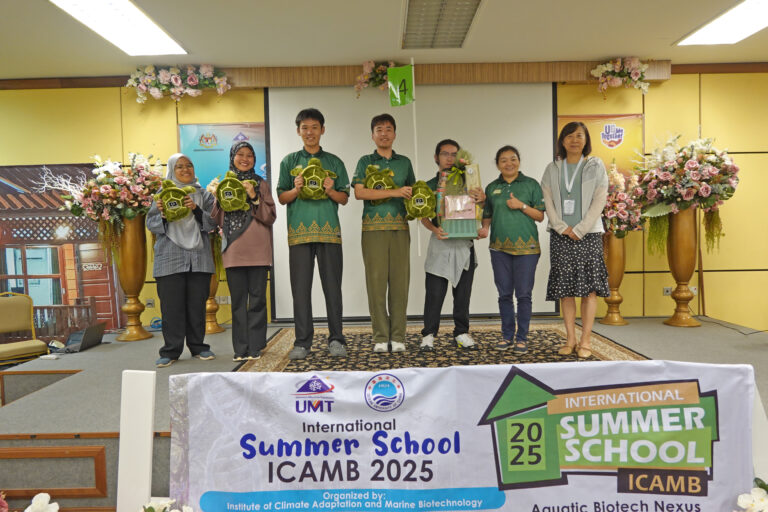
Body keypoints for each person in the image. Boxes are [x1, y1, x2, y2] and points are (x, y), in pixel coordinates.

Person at [277, 108, 350, 360]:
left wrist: (330, 190)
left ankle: (337, 339)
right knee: (300, 291)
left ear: (322, 130)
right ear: (298, 131)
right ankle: (302, 342)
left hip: (329, 233)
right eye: (305, 128)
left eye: (314, 127)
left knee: (333, 289)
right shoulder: (289, 162)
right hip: (299, 234)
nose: (310, 132)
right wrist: (296, 189)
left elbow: (344, 198)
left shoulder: (334, 162)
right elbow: (282, 197)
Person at [541, 122, 609, 358]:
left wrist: (580, 229)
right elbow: (548, 200)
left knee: (589, 291)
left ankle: (586, 340)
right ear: (562, 140)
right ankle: (570, 339)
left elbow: (600, 199)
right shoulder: (552, 168)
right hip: (561, 236)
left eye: (579, 136)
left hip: (589, 235)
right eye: (569, 136)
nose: (574, 140)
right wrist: (561, 227)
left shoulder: (595, 165)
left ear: (586, 140)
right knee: (566, 290)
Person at [147, 153, 217, 368]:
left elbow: (213, 223)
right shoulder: (162, 194)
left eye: (189, 165)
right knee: (172, 308)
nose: (185, 169)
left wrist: (195, 209)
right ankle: (171, 351)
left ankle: (199, 347)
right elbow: (151, 224)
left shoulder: (204, 195)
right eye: (179, 167)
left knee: (197, 306)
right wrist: (163, 215)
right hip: (170, 258)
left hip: (199, 257)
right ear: (172, 170)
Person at [353, 114, 416, 353]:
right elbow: (360, 193)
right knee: (376, 284)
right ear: (372, 135)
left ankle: (398, 336)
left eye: (388, 129)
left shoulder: (404, 163)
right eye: (379, 129)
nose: (384, 133)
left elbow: (413, 193)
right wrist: (395, 192)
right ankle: (380, 336)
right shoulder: (365, 161)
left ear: (395, 134)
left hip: (400, 228)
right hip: (373, 229)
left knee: (400, 284)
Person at [211, 141, 276, 362]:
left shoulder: (261, 183)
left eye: (249, 155)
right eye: (240, 154)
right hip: (234, 250)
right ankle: (240, 348)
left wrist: (254, 196)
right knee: (238, 301)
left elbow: (270, 217)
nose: (245, 159)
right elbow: (216, 220)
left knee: (257, 300)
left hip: (259, 250)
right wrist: (218, 199)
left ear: (254, 160)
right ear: (233, 157)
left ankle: (256, 345)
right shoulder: (225, 184)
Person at [419, 139, 486, 351]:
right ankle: (429, 334)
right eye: (445, 154)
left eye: (454, 154)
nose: (450, 158)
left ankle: (461, 332)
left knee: (463, 293)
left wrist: (481, 199)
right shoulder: (429, 185)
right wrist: (434, 228)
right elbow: (422, 215)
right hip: (441, 243)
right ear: (436, 157)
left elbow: (481, 208)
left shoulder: (469, 182)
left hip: (464, 244)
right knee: (434, 293)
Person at [479, 146, 545, 353]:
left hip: (527, 249)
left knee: (524, 295)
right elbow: (487, 214)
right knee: (504, 294)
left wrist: (521, 206)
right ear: (498, 164)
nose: (509, 163)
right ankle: (507, 336)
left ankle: (522, 338)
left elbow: (540, 216)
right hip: (499, 248)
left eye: (513, 159)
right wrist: (485, 228)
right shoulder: (491, 187)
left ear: (519, 161)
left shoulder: (531, 184)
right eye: (504, 160)